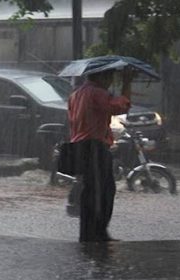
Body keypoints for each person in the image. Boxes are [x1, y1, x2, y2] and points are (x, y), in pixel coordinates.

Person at [67, 68, 134, 242]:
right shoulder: (97, 93)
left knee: (90, 191)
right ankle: (98, 232)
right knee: (104, 191)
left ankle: (88, 233)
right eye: (110, 76)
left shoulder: (76, 94)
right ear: (102, 77)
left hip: (78, 146)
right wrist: (127, 84)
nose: (111, 81)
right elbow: (120, 107)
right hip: (94, 147)